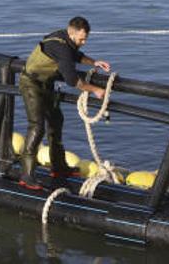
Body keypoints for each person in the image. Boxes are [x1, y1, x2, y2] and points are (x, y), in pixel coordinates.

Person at [18, 16, 111, 190]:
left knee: (56, 122)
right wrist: (96, 90)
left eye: (86, 39)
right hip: (31, 83)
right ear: (71, 32)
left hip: (47, 83)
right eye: (81, 39)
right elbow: (72, 80)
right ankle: (27, 175)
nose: (83, 42)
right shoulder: (60, 46)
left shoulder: (66, 40)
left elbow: (76, 54)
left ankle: (59, 167)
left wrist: (94, 62)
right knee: (37, 127)